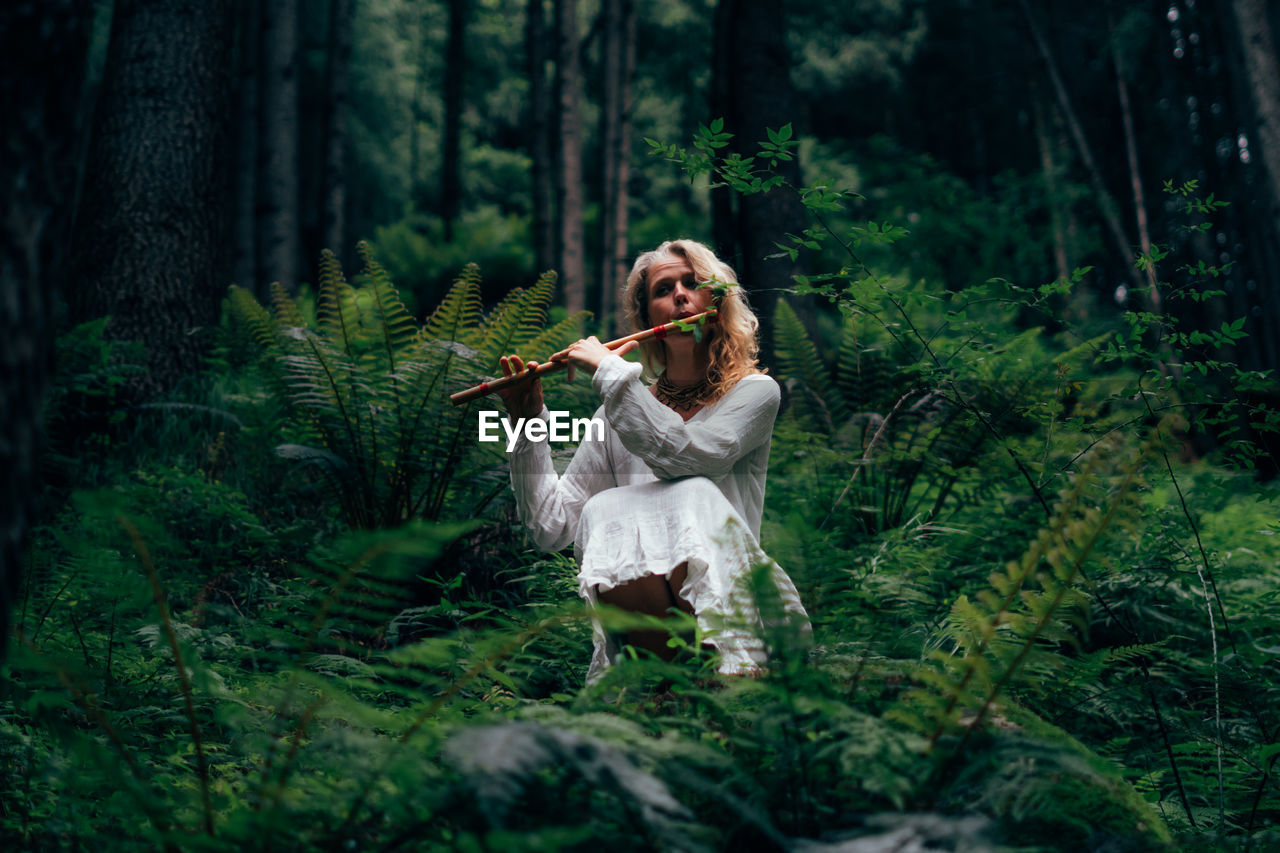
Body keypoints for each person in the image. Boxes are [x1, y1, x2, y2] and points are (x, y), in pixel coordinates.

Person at [497, 239, 808, 681]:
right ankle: (661, 686)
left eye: (693, 283)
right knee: (606, 507)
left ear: (715, 303)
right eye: (664, 289)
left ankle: (723, 676)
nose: (680, 295)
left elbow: (691, 458)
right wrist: (527, 421)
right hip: (646, 635)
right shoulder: (618, 412)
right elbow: (551, 526)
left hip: (732, 612)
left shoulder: (755, 393)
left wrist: (609, 373)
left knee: (688, 493)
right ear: (647, 317)